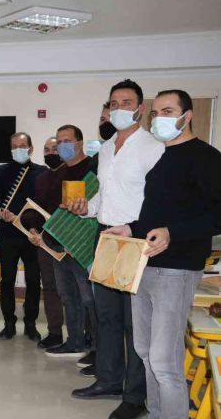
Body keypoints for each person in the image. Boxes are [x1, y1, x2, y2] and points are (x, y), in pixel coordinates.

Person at [104, 90, 221, 419]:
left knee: (164, 361)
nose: (159, 119)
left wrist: (173, 233)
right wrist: (131, 228)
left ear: (187, 116)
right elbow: (158, 213)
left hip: (177, 269)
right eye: (155, 113)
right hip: (145, 262)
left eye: (168, 111)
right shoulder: (163, 157)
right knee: (144, 351)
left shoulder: (206, 158)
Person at [69, 79, 163, 419]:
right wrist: (87, 208)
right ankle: (108, 379)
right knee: (106, 315)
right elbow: (104, 195)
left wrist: (136, 229)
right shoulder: (106, 148)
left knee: (135, 323)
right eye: (113, 103)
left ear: (140, 108)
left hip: (136, 240)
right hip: (105, 237)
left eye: (126, 103)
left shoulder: (153, 147)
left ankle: (135, 396)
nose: (119, 108)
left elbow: (159, 200)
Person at [24, 125, 97, 361]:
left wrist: (76, 239)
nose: (62, 146)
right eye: (60, 141)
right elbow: (48, 208)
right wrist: (35, 229)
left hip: (82, 246)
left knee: (89, 298)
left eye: (67, 141)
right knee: (68, 296)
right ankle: (74, 342)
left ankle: (97, 348)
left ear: (80, 143)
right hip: (57, 245)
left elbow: (95, 209)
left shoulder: (93, 168)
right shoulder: (58, 173)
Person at [0, 132, 46, 341]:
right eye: (15, 146)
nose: (19, 149)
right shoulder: (2, 171)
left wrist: (34, 226)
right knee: (7, 279)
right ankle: (9, 323)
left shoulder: (42, 173)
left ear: (31, 148)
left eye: (23, 146)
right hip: (8, 234)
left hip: (32, 235)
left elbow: (42, 205)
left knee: (33, 280)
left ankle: (30, 323)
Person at [32, 137, 65, 350]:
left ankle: (85, 335)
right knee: (50, 287)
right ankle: (55, 332)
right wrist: (33, 229)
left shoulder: (73, 174)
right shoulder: (41, 178)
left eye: (55, 148)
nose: (50, 153)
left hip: (69, 241)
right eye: (46, 149)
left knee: (75, 290)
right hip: (45, 241)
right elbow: (36, 208)